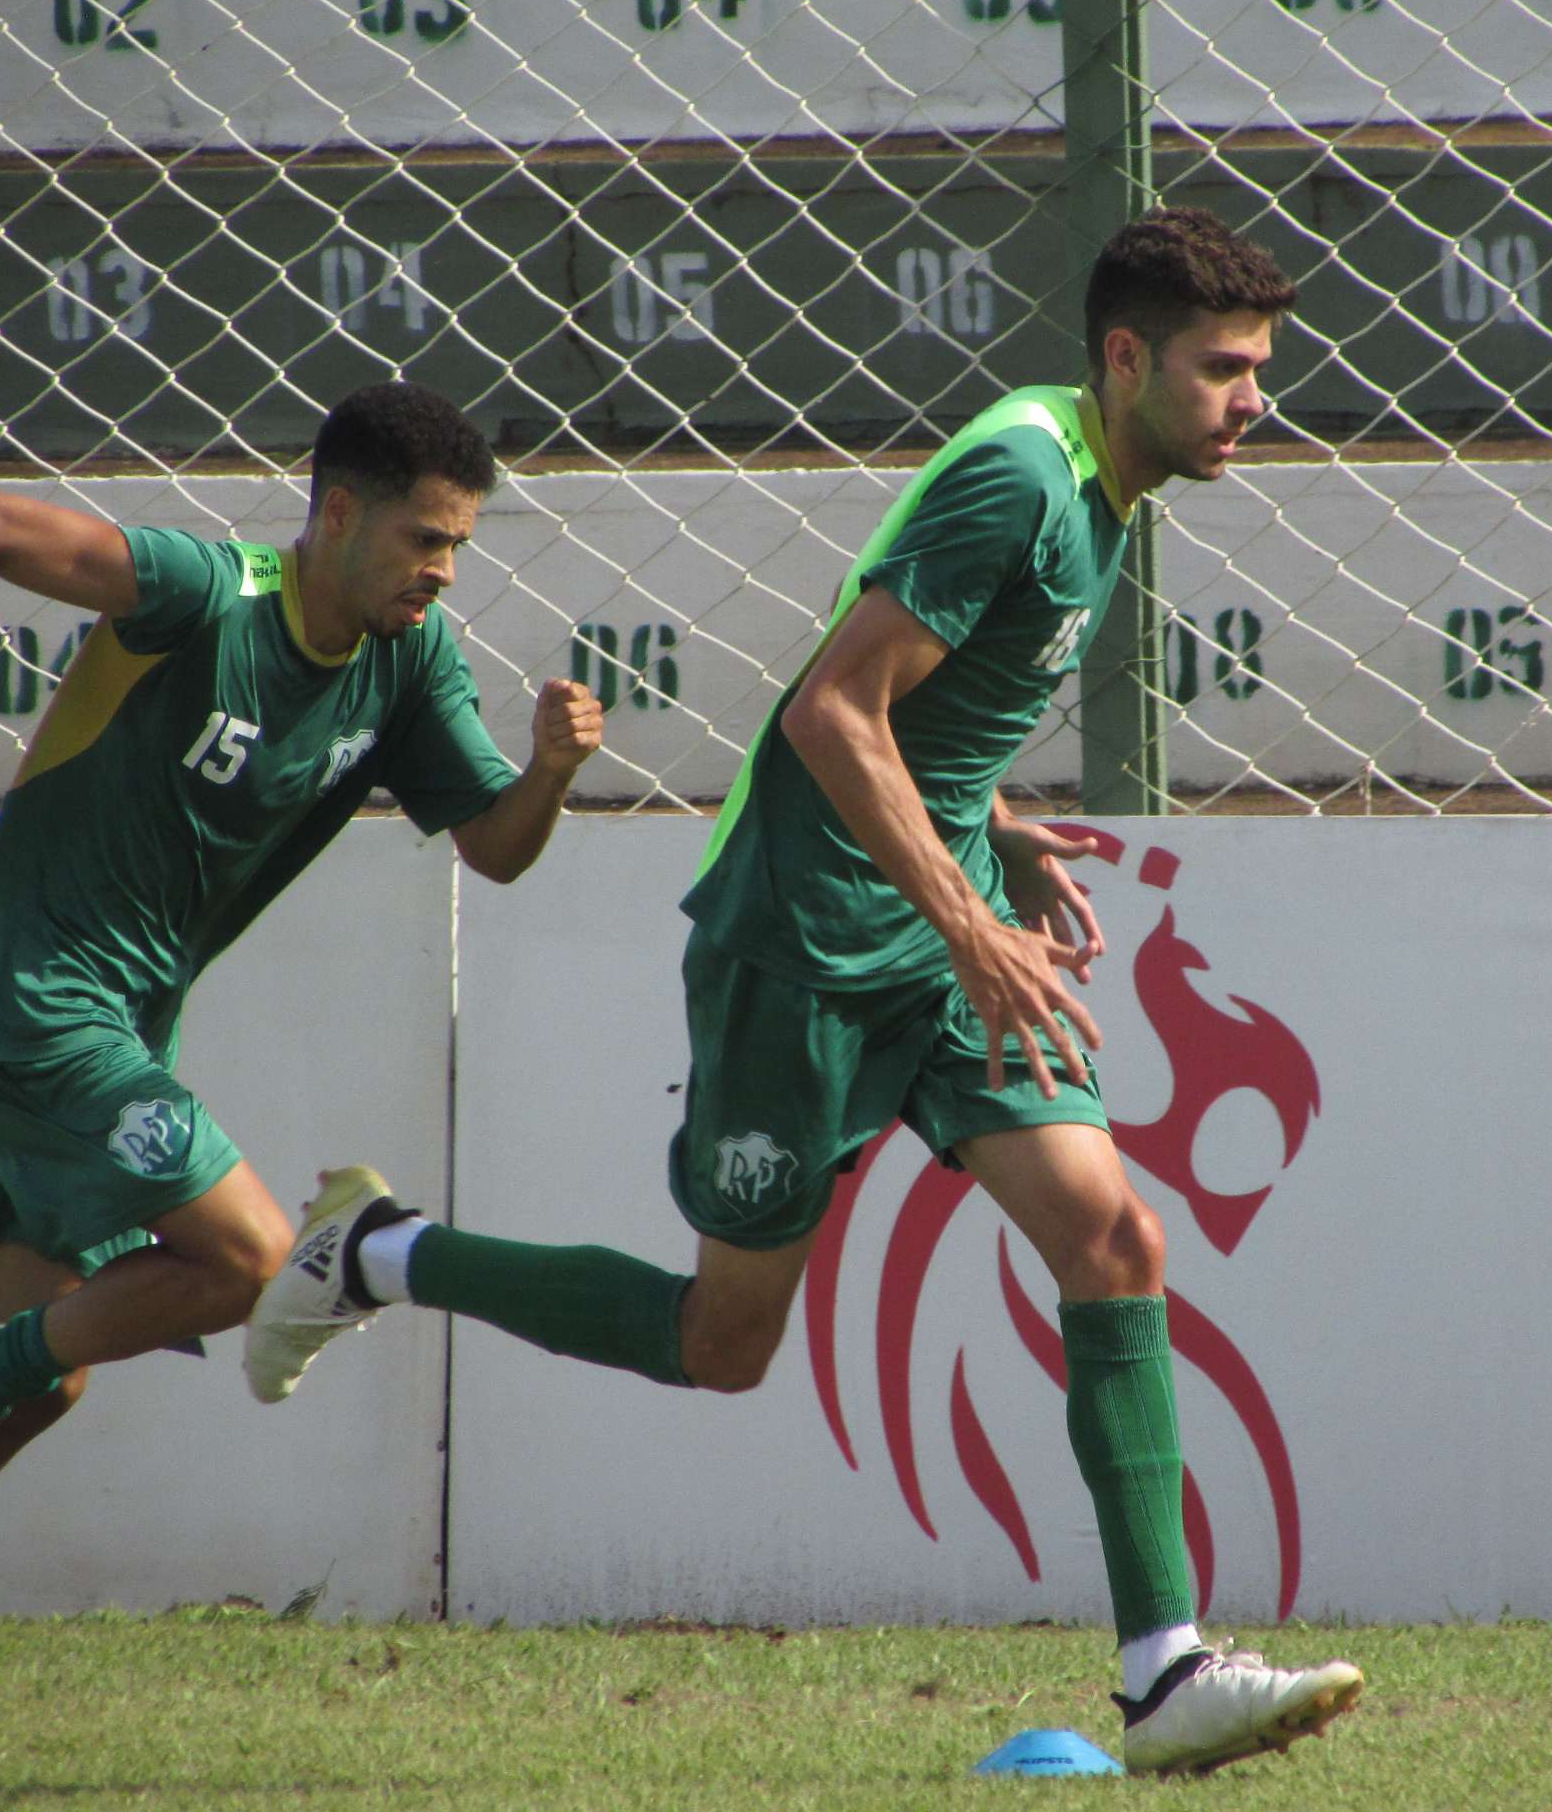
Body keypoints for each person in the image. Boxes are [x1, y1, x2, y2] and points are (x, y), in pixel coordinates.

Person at [245, 208, 1364, 1774]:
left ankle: (1164, 1670)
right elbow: (832, 712)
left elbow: (928, 719)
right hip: (805, 953)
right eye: (1225, 369)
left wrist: (1001, 841)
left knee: (1115, 1236)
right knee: (723, 1343)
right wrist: (974, 923)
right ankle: (378, 1254)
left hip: (935, 929)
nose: (1254, 400)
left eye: (1259, 370)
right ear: (1125, 358)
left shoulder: (1106, 492)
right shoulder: (1025, 483)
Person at [0, 383, 603, 1690]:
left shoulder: (413, 662)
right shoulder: (202, 594)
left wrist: (552, 775)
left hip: (120, 1023)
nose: (443, 571)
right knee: (252, 1260)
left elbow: (497, 853)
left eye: (458, 545)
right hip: (37, 995)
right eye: (424, 539)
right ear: (339, 514)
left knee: (40, 1385)